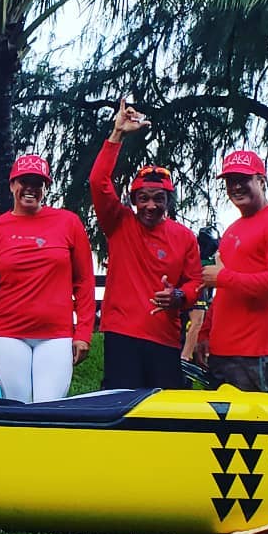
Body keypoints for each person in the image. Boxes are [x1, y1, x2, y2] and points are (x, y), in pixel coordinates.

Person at [89, 100, 202, 389]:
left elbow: (194, 284)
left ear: (168, 201)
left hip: (165, 339)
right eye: (144, 198)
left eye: (158, 198)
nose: (151, 205)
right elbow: (98, 181)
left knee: (162, 409)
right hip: (122, 335)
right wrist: (117, 134)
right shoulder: (119, 223)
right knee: (122, 405)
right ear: (134, 200)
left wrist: (178, 295)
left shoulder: (185, 237)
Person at [0, 155, 96, 403]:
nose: (30, 189)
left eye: (38, 183)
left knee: (49, 406)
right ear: (12, 185)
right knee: (18, 406)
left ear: (46, 187)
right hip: (7, 333)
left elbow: (84, 282)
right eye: (24, 181)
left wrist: (83, 333)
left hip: (56, 334)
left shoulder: (68, 222)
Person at [200, 150, 268, 392]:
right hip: (221, 352)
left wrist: (223, 277)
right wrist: (205, 333)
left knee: (250, 417)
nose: (236, 186)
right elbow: (224, 291)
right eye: (230, 181)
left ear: (262, 181)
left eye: (243, 179)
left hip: (255, 355)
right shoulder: (232, 230)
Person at [180, 226, 219, 370]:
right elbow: (197, 320)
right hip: (196, 290)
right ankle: (185, 356)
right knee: (197, 320)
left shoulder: (193, 261)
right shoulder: (205, 265)